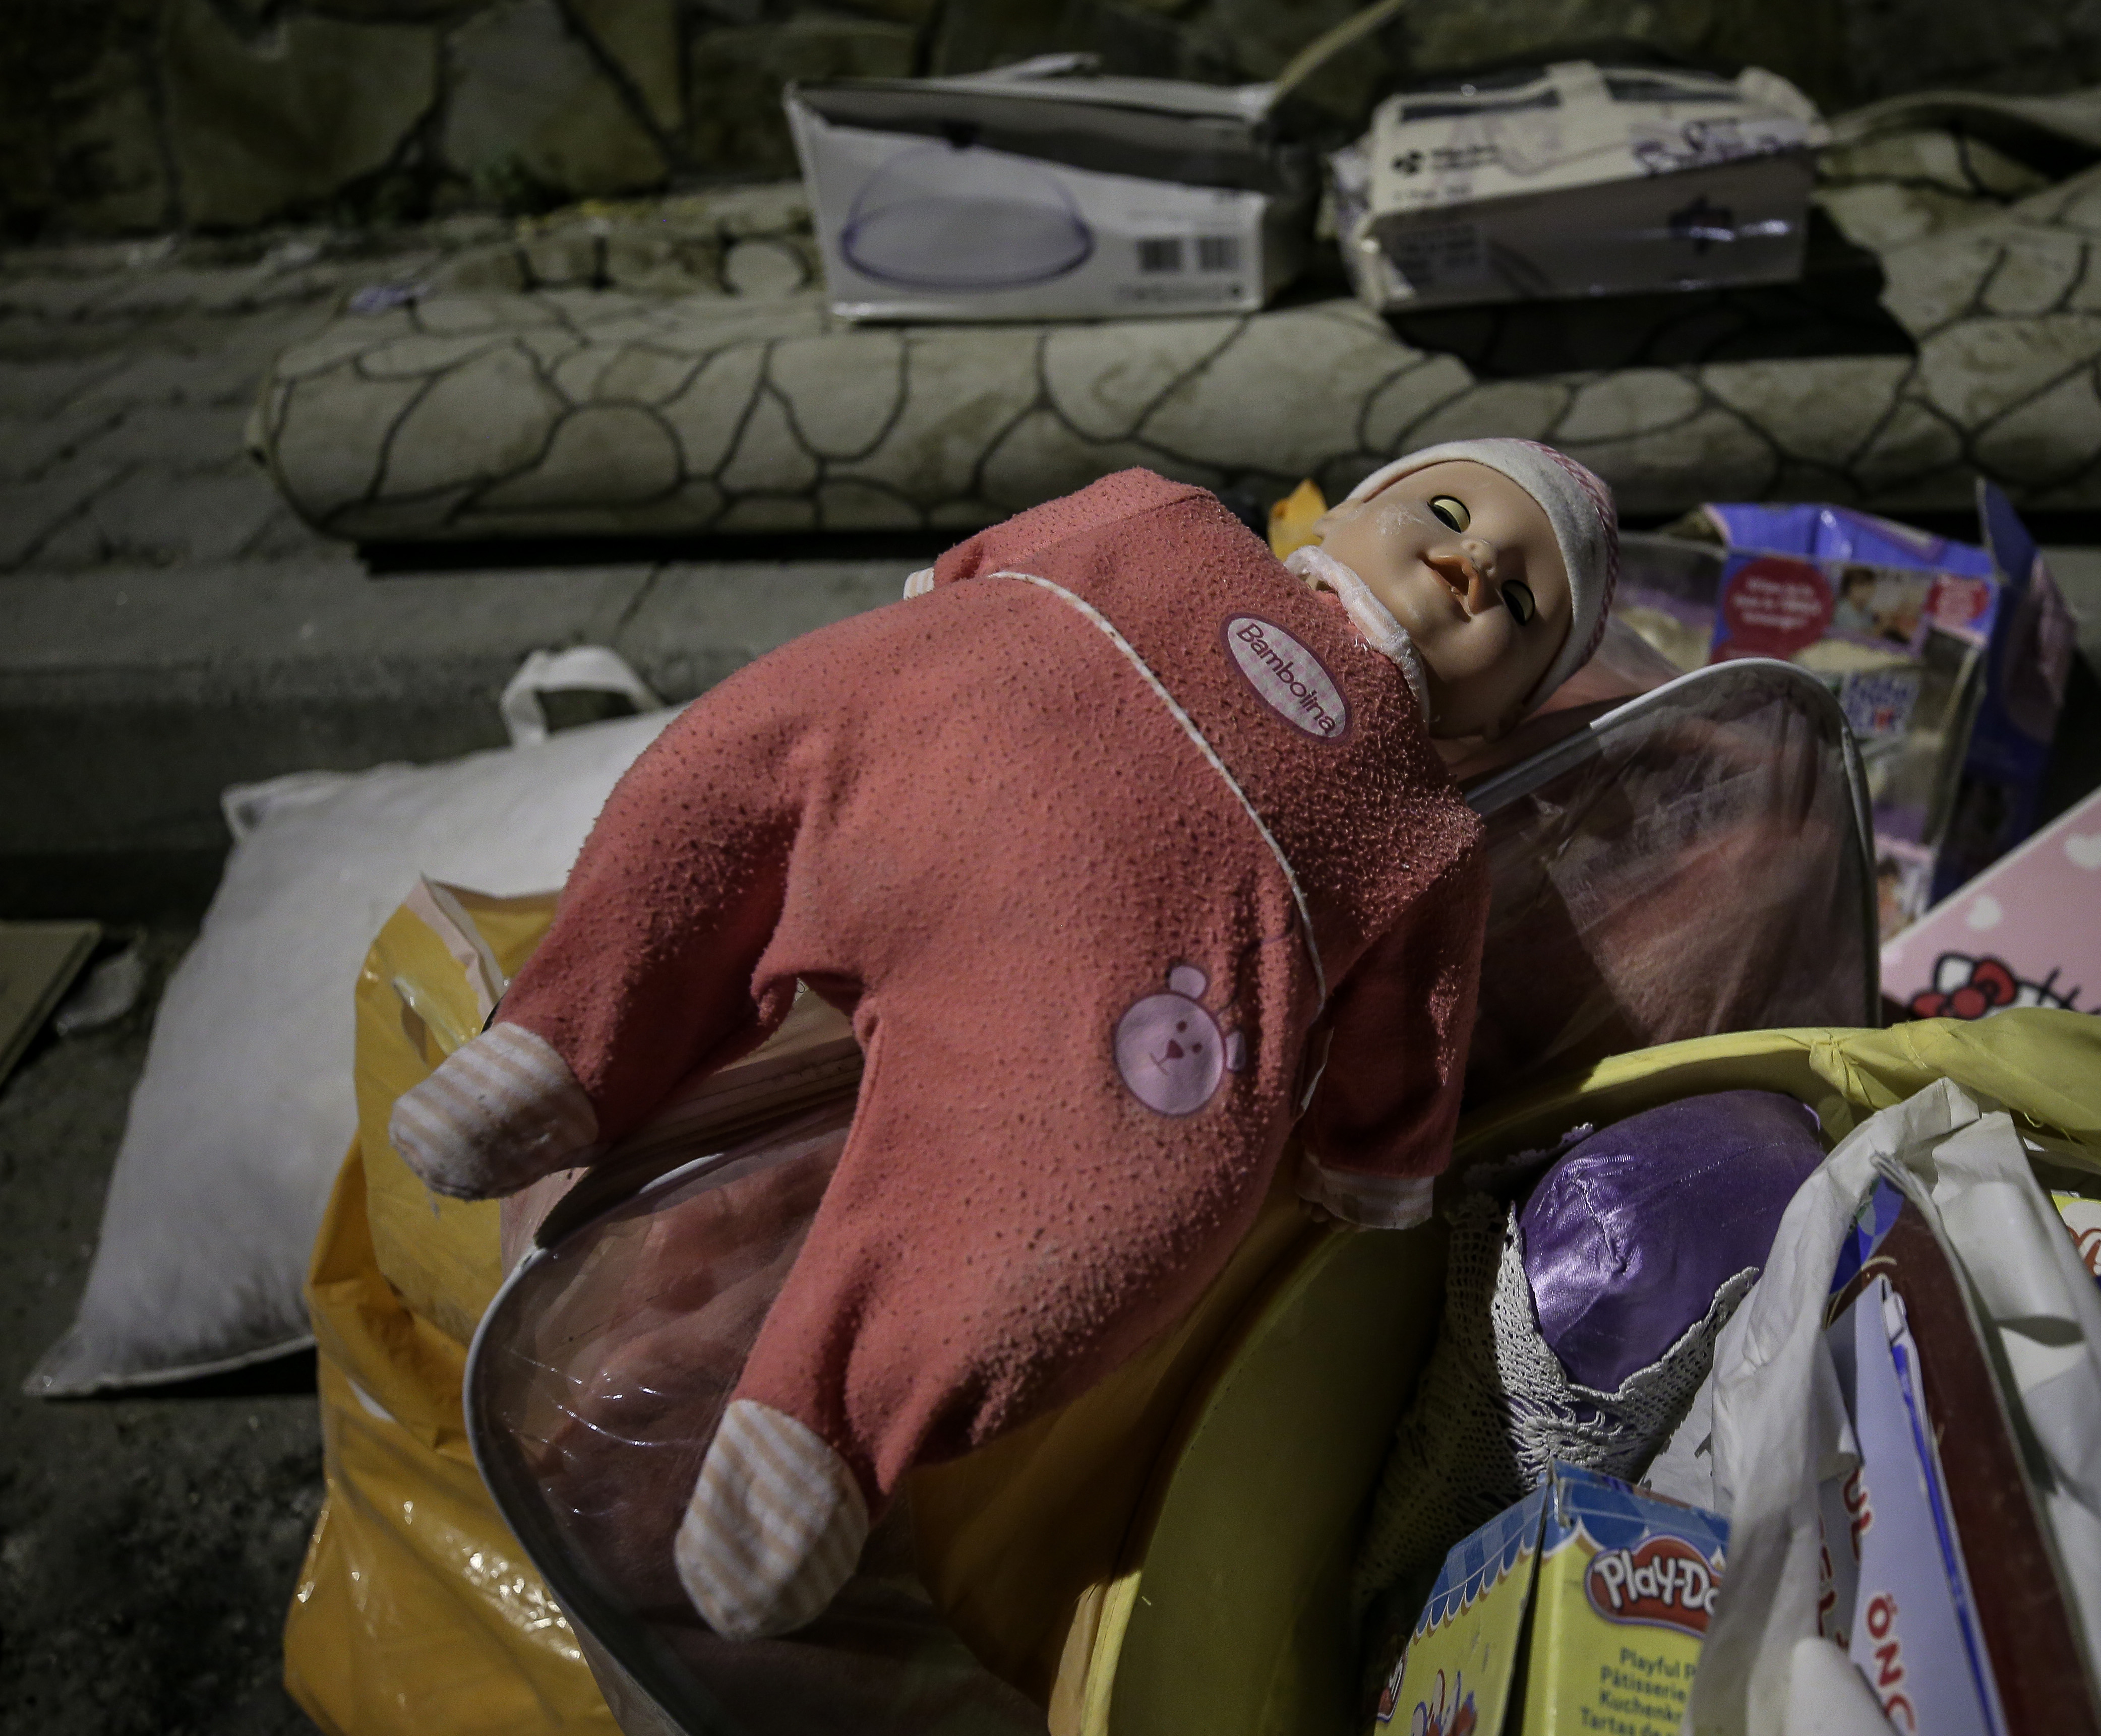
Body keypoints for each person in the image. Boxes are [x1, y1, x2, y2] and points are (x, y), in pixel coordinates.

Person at [387, 439, 1618, 1639]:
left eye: (1520, 604)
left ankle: (829, 1419)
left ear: (1496, 720)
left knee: (1132, 1199)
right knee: (728, 766)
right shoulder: (1170, 519)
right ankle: (568, 1044)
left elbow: (1411, 1031)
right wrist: (941, 630)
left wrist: (1373, 1162)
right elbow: (963, 574)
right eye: (1450, 512)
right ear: (1343, 514)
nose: (1472, 565)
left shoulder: (1425, 833)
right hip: (913, 741)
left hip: (1099, 993)